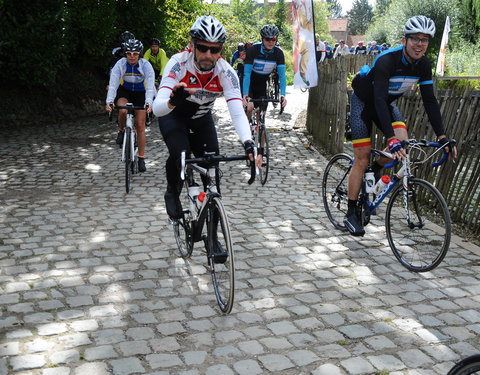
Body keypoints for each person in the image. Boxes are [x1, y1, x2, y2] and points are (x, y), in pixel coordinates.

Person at [344, 15, 457, 236]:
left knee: (403, 143)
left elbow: (430, 101)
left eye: (425, 39)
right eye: (415, 38)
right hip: (364, 102)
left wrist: (442, 136)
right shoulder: (387, 60)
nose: (420, 44)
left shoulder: (423, 65)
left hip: (384, 104)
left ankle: (377, 168)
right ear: (405, 40)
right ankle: (350, 213)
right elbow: (377, 99)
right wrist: (389, 137)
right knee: (362, 156)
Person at [152, 15, 254, 220]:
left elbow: (236, 111)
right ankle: (172, 191)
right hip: (174, 116)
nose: (208, 54)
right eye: (202, 48)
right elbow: (157, 108)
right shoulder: (178, 64)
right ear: (192, 45)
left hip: (201, 119)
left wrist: (248, 143)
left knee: (213, 175)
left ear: (221, 50)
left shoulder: (225, 71)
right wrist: (173, 100)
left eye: (214, 49)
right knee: (180, 152)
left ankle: (214, 237)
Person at [106, 39, 155, 173]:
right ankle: (122, 130)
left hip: (141, 93)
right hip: (125, 91)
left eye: (135, 53)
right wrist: (109, 101)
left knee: (140, 124)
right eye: (129, 53)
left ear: (139, 54)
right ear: (125, 54)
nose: (132, 56)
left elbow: (150, 87)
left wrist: (149, 103)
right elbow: (114, 84)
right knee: (122, 111)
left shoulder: (146, 65)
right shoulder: (120, 64)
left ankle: (141, 157)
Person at [242, 24, 287, 122]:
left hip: (262, 84)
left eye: (273, 39)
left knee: (262, 116)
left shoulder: (278, 53)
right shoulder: (253, 50)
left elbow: (282, 76)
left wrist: (282, 94)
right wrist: (245, 94)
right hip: (250, 83)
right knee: (249, 107)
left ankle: (261, 135)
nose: (271, 42)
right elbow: (247, 74)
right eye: (267, 39)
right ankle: (246, 133)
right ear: (262, 39)